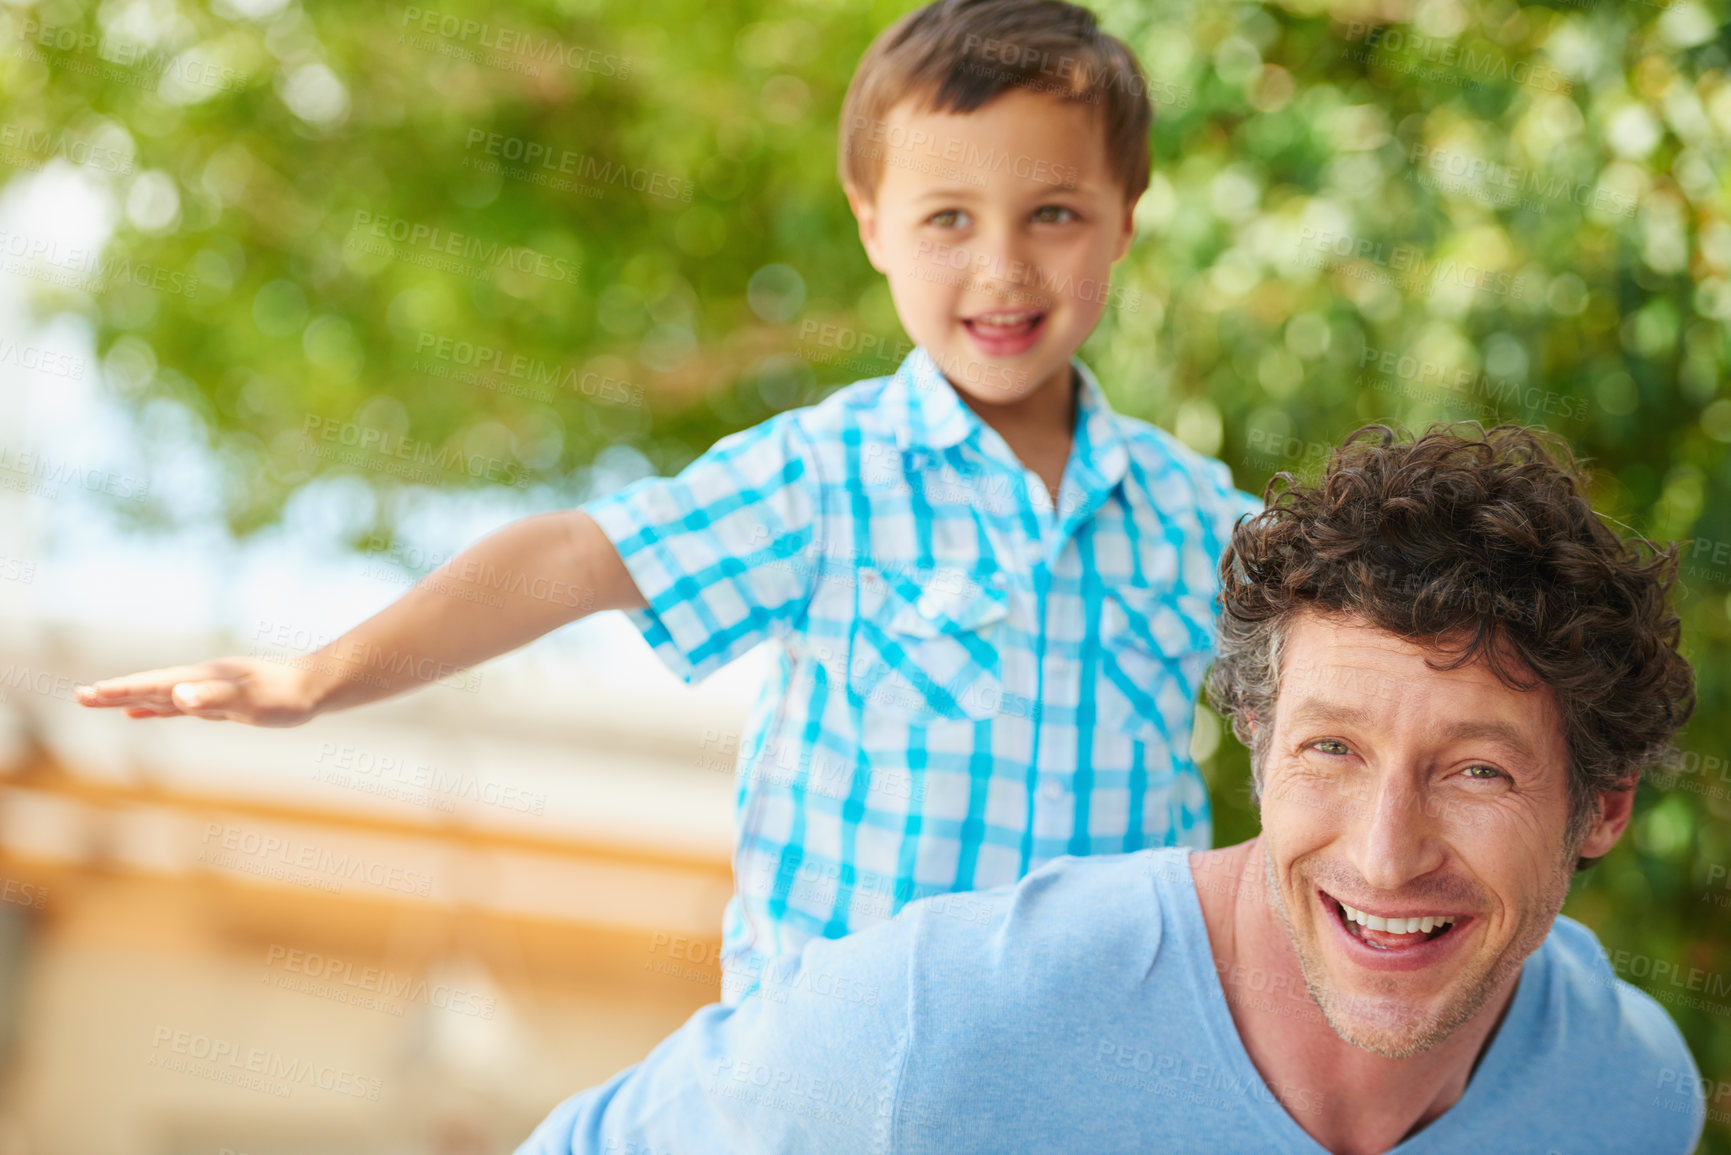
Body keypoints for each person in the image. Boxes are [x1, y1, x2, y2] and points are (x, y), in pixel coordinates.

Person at [74, 0, 1257, 1003]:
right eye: (949, 218)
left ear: (1124, 223)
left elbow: (1367, 677)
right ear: (874, 229)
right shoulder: (825, 477)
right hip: (837, 1068)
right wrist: (317, 676)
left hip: (1100, 1073)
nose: (1002, 266)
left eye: (1053, 214)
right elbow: (575, 556)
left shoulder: (1197, 520)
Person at [514, 424, 1705, 1155]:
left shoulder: (1626, 1097)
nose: (1386, 855)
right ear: (1255, 743)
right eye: (1330, 751)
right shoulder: (937, 1033)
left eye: (1478, 771)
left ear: (1603, 806)